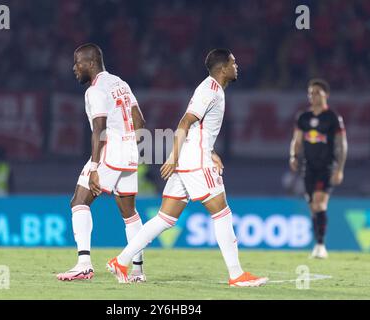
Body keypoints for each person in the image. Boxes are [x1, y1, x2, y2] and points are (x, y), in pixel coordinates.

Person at [106, 49, 268, 287]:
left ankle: (121, 261)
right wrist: (173, 156)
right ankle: (236, 275)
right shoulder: (210, 90)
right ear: (222, 68)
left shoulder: (212, 90)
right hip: (194, 160)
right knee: (222, 213)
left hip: (193, 158)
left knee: (165, 218)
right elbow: (185, 121)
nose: (237, 66)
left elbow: (196, 129)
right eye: (233, 62)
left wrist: (210, 152)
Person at [57, 43, 147, 282]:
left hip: (110, 149)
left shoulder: (95, 90)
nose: (74, 68)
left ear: (91, 63)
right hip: (130, 150)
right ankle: (137, 271)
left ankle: (84, 264)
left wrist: (96, 167)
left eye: (77, 63)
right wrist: (129, 147)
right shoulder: (121, 83)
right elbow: (140, 122)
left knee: (79, 201)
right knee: (130, 213)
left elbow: (99, 127)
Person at [289, 79, 348, 259]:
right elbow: (297, 140)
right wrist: (293, 156)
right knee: (313, 208)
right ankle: (317, 243)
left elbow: (342, 144)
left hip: (326, 167)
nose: (313, 96)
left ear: (326, 95)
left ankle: (321, 245)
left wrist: (340, 168)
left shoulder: (333, 118)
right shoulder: (303, 117)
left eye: (316, 92)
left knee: (319, 204)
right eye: (310, 93)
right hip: (309, 168)